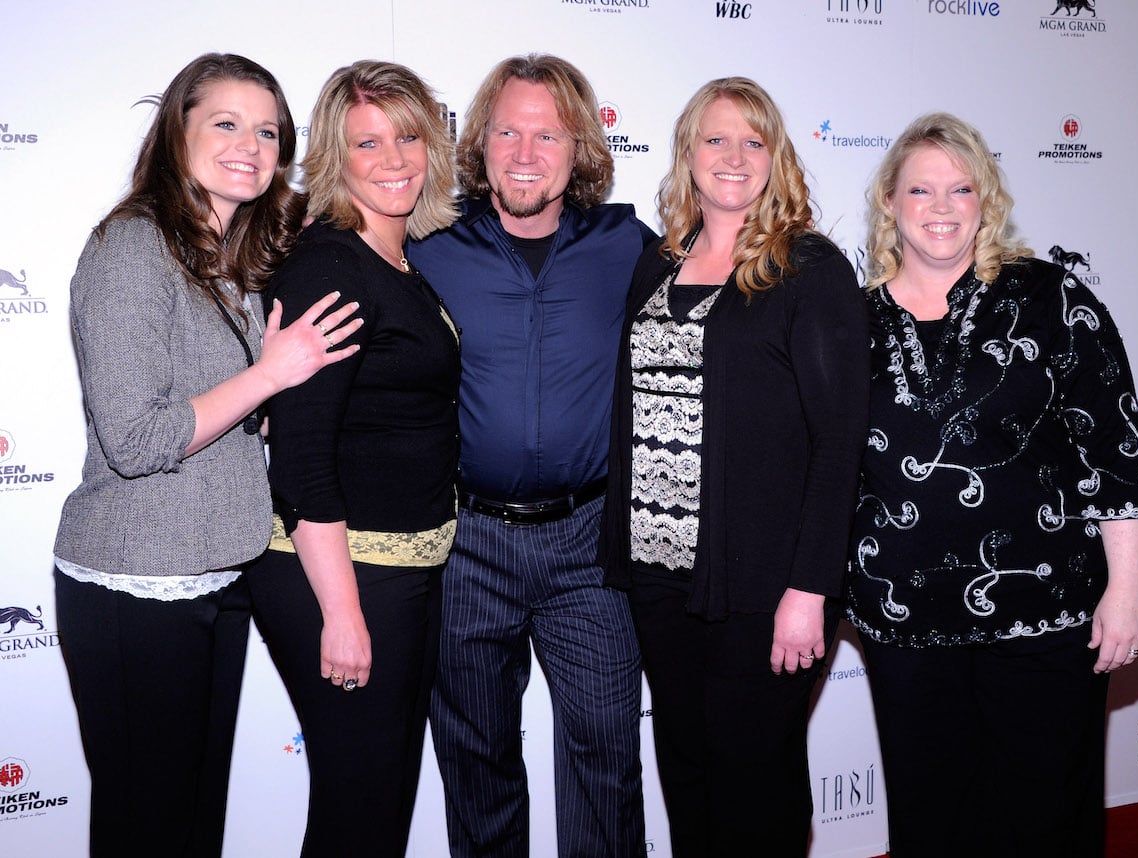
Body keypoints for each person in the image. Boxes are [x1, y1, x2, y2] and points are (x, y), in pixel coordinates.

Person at [52, 53, 361, 857]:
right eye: (226, 123)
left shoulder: (232, 258)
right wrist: (269, 377)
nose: (249, 146)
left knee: (193, 828)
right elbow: (135, 439)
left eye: (268, 132)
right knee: (148, 829)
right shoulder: (132, 248)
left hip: (220, 576)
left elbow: (217, 407)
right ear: (176, 130)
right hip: (136, 583)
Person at [846, 112, 1138, 858]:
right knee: (932, 822)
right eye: (921, 189)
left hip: (1044, 615)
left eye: (961, 188)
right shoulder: (850, 321)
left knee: (1047, 818)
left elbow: (1115, 451)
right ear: (889, 200)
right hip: (905, 624)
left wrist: (1127, 588)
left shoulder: (1051, 298)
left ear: (986, 199)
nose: (941, 207)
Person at [599, 77, 869, 856]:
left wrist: (810, 589)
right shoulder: (657, 264)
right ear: (687, 152)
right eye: (716, 138)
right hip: (660, 578)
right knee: (687, 776)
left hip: (764, 588)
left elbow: (839, 441)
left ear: (776, 158)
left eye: (754, 141)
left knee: (757, 790)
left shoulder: (807, 269)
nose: (734, 155)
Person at [407, 54, 656, 858]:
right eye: (508, 132)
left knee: (607, 757)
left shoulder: (625, 245)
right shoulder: (428, 245)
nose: (524, 153)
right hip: (466, 545)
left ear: (579, 148)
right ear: (479, 143)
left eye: (547, 135)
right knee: (476, 761)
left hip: (591, 544)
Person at [245, 61, 460, 857]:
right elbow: (301, 459)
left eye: (407, 137)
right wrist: (341, 613)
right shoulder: (331, 267)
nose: (394, 159)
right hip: (342, 575)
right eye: (368, 143)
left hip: (398, 574)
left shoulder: (393, 260)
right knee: (360, 812)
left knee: (377, 805)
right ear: (336, 158)